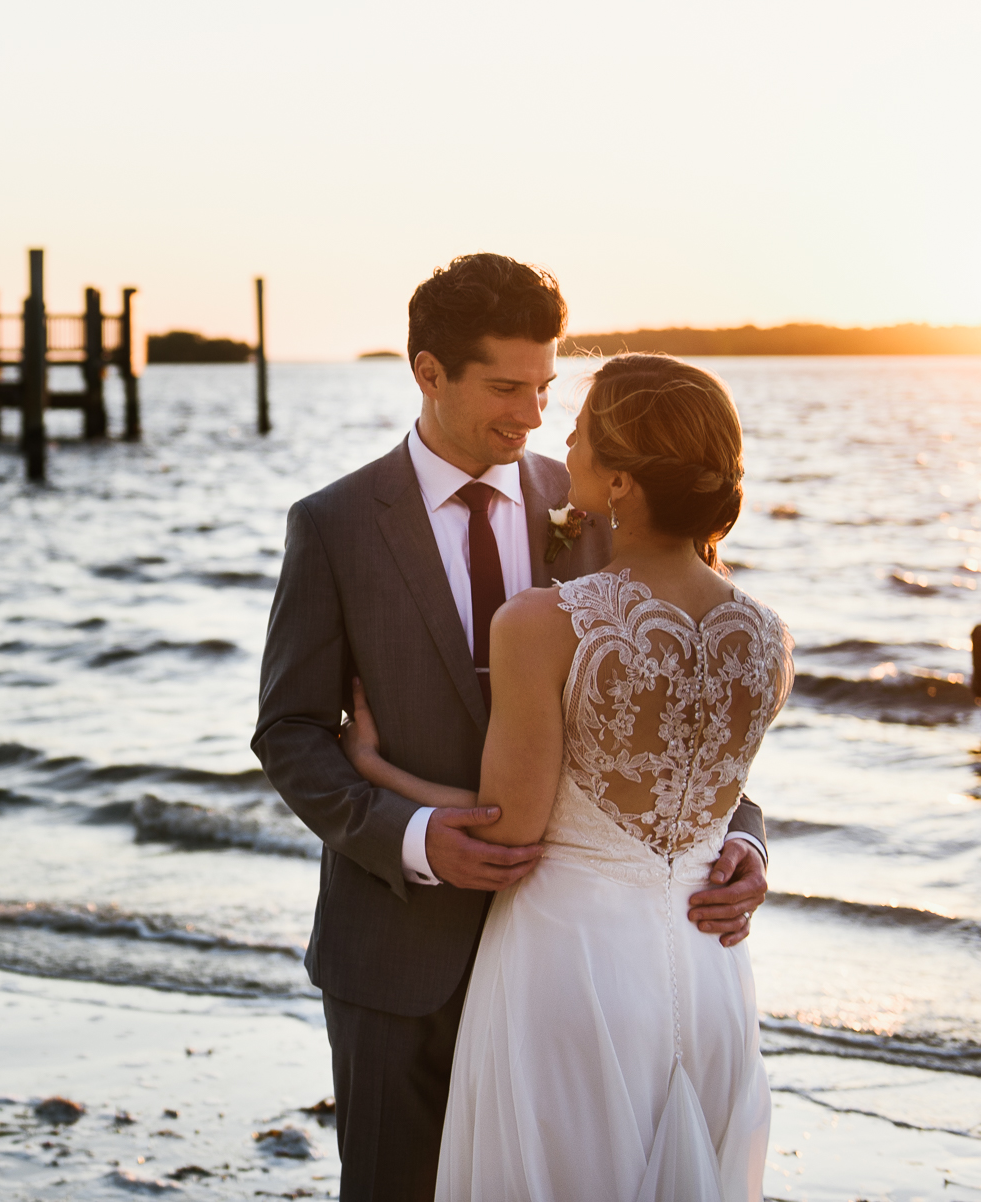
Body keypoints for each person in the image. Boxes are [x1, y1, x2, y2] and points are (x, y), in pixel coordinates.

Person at [252, 254, 772, 1202]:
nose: (531, 415)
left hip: (583, 968)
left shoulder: (603, 498)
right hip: (400, 952)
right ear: (428, 372)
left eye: (545, 387)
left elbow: (681, 707)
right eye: (505, 387)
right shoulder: (333, 524)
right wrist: (410, 837)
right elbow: (287, 732)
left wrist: (739, 840)